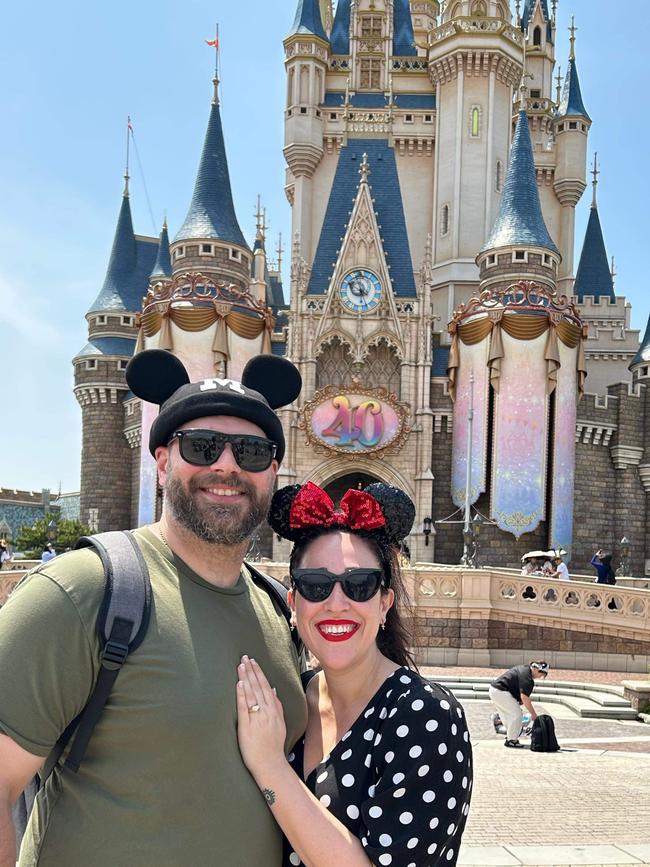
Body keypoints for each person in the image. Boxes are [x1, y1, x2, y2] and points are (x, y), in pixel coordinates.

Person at [0, 348, 306, 867]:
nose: (226, 466)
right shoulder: (84, 591)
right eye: (202, 447)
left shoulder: (278, 610)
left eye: (251, 452)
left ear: (272, 470)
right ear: (163, 460)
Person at [236, 481, 473, 867]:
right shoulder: (290, 700)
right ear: (293, 604)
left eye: (359, 584)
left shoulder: (426, 716)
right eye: (316, 586)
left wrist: (269, 765)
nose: (336, 603)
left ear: (384, 603)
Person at [488, 661, 549, 748]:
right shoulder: (527, 678)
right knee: (517, 715)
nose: (540, 677)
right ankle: (511, 740)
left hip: (494, 690)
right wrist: (533, 714)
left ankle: (510, 736)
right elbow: (524, 698)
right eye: (541, 674)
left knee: (507, 715)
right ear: (536, 669)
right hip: (501, 691)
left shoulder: (524, 669)